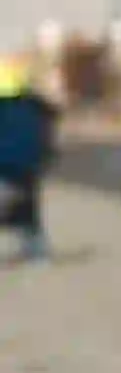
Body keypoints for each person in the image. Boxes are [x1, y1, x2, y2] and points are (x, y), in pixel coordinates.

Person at [0, 54, 59, 263]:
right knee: (27, 206)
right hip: (32, 165)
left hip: (5, 166)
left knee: (13, 204)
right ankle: (38, 249)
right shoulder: (34, 104)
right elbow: (54, 113)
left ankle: (36, 246)